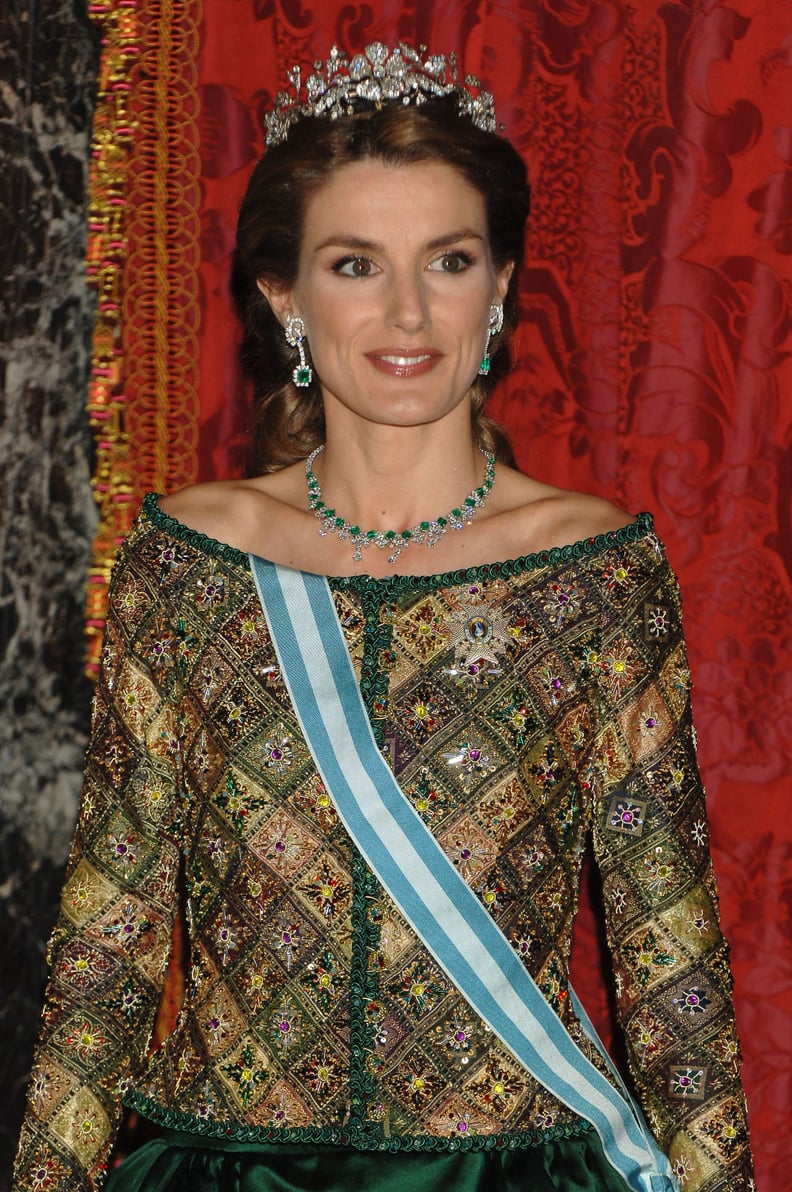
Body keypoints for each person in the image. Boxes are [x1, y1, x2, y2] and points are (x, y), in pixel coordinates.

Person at [13, 42, 753, 1192]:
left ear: (499, 284)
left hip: (510, 1172)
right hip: (223, 1172)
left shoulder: (595, 573)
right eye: (355, 264)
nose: (407, 310)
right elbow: (106, 949)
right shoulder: (191, 562)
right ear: (282, 294)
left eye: (448, 260)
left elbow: (673, 976)